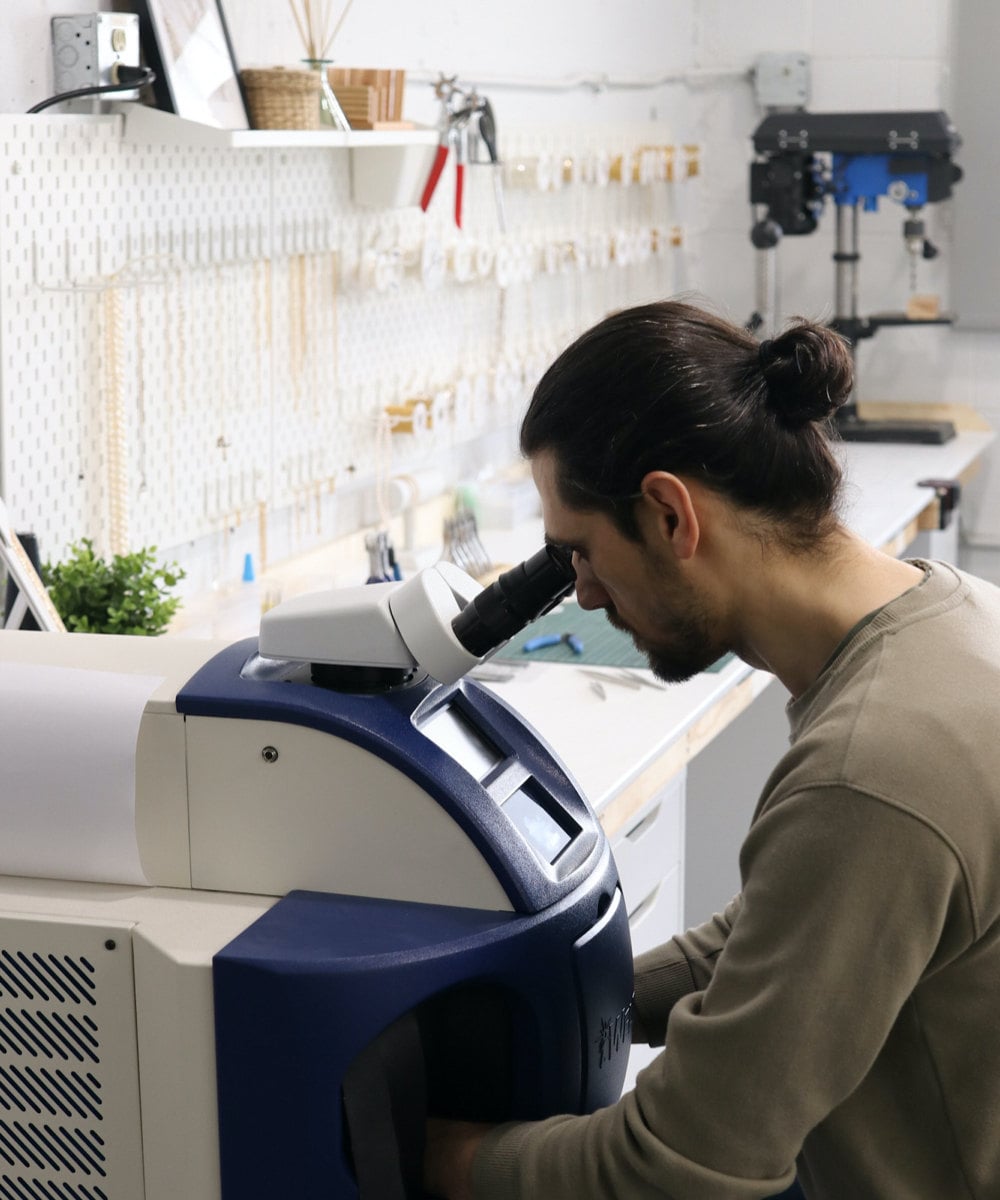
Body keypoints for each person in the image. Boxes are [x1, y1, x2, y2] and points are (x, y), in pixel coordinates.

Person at [423, 298, 1000, 1199]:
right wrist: (567, 990)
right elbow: (784, 934)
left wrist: (445, 1162)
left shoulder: (870, 772)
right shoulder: (952, 614)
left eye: (579, 554)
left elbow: (679, 1168)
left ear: (667, 514)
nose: (580, 597)